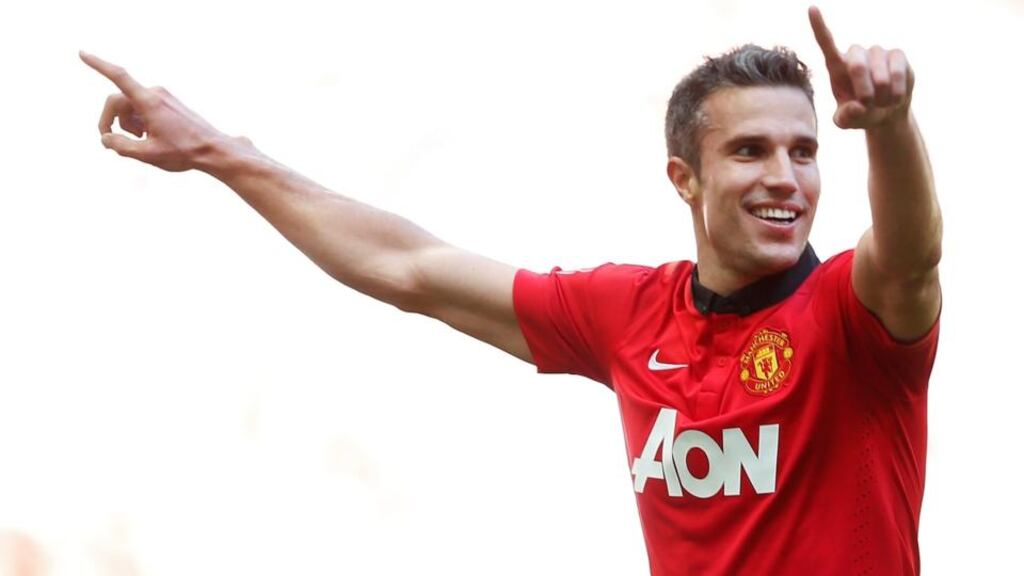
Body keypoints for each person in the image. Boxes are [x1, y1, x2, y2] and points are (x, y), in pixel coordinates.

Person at [81, 6, 940, 575]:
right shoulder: (631, 313)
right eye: (750, 150)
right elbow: (410, 268)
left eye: (804, 151)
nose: (786, 176)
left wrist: (892, 127)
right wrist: (220, 154)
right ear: (684, 177)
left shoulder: (852, 312)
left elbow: (910, 257)